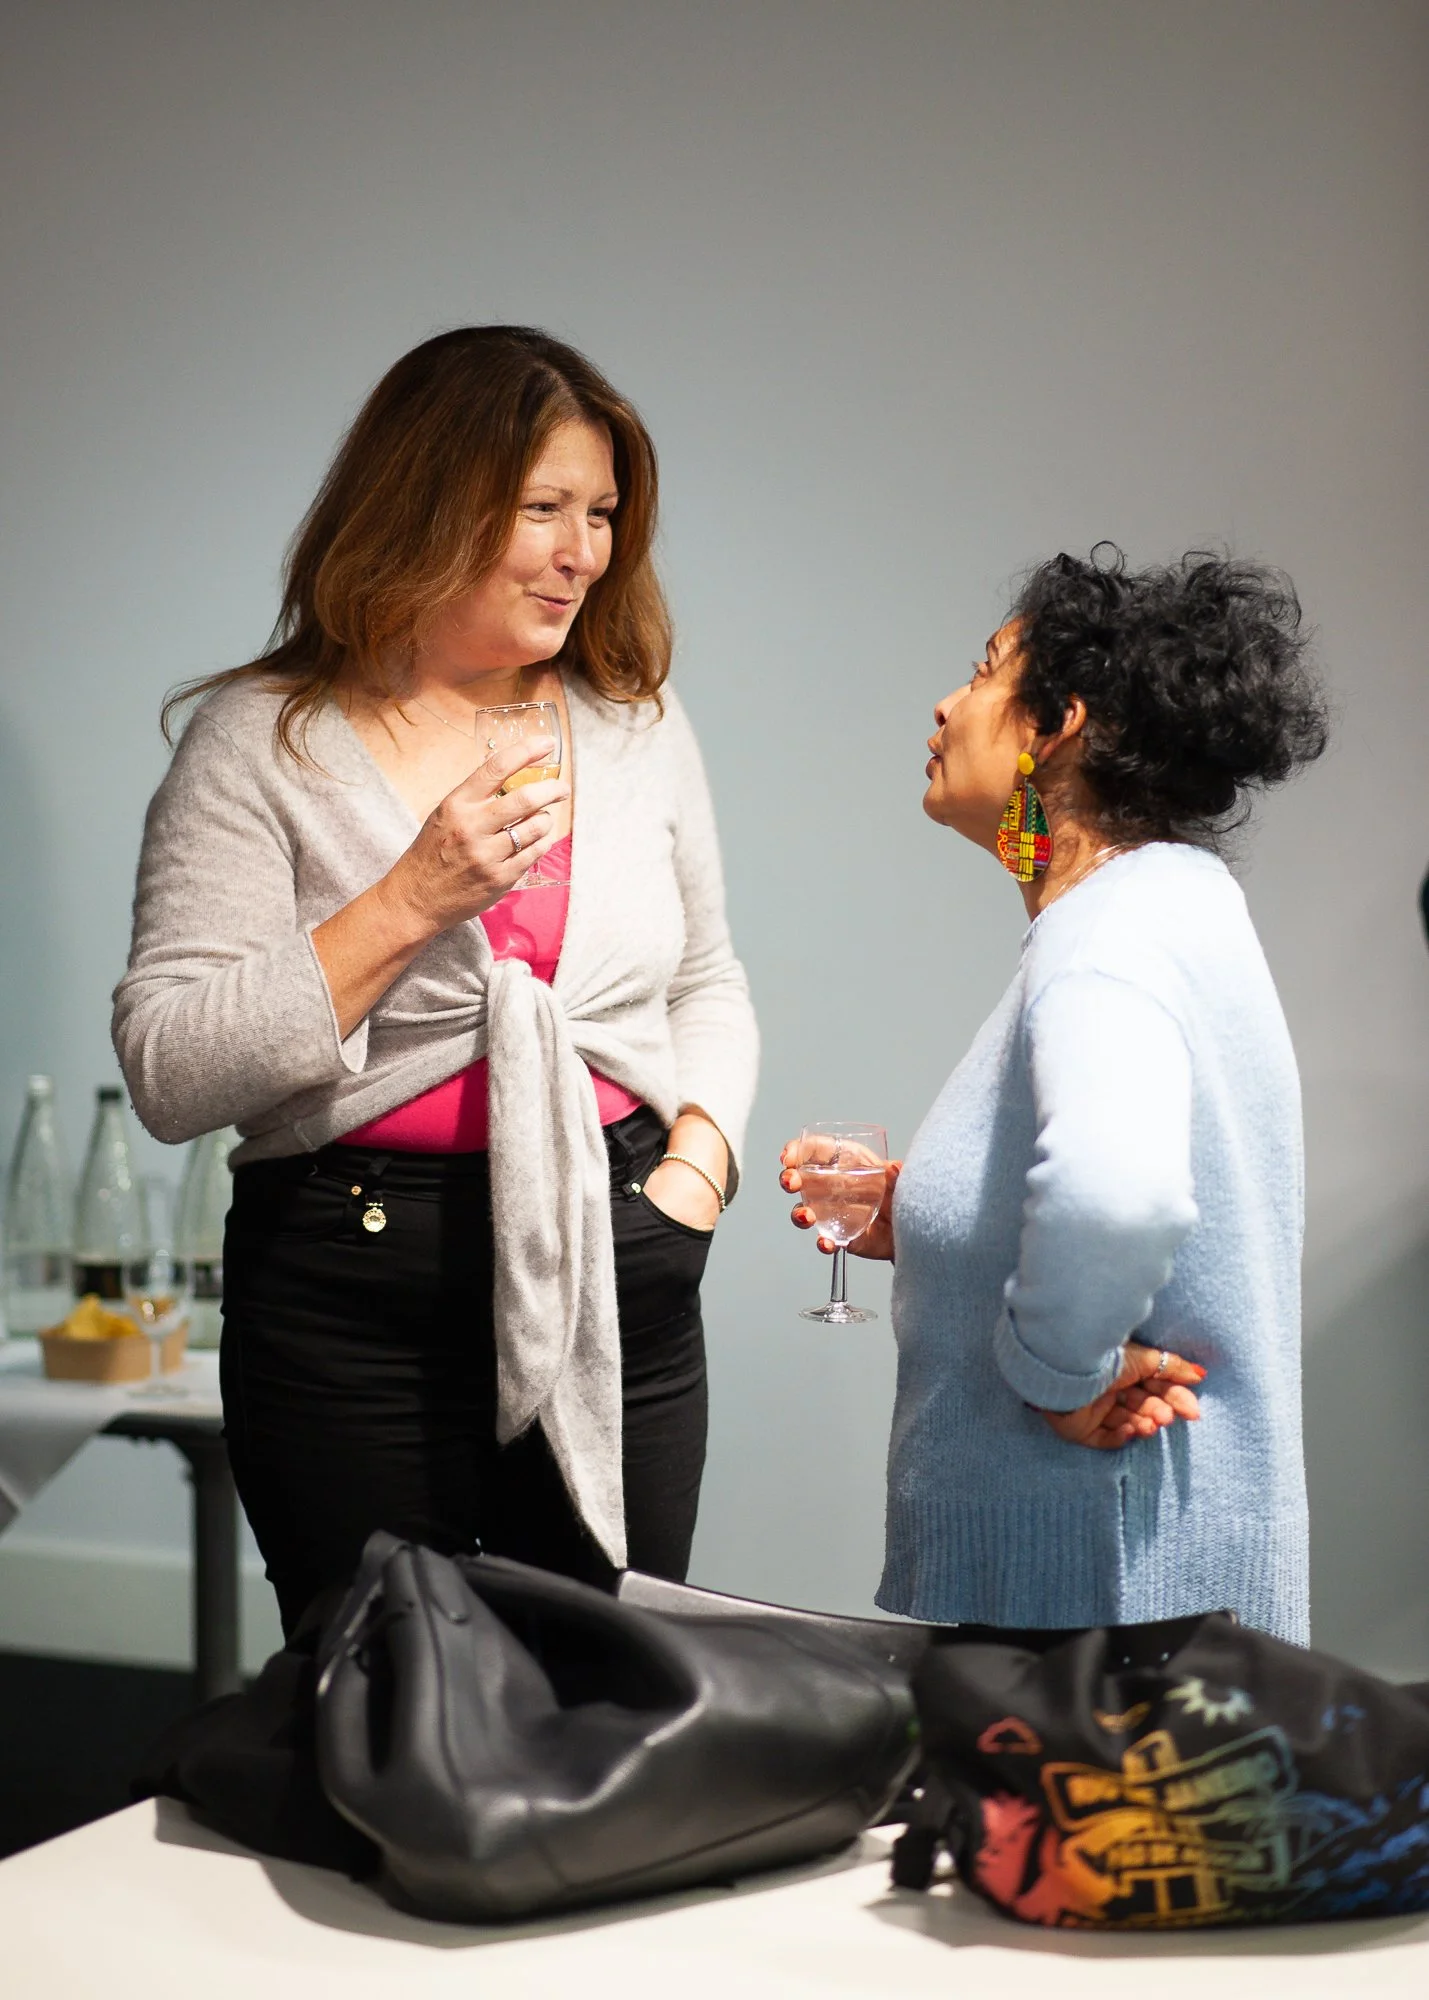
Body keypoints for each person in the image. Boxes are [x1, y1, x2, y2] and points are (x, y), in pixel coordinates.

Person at [114, 325, 758, 1633]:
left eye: (602, 515)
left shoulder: (636, 717)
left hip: (617, 1264)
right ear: (426, 505)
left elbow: (707, 982)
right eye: (541, 510)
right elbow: (171, 1071)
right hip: (352, 1303)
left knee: (609, 1690)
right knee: (386, 1703)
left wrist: (693, 1179)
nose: (582, 551)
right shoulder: (259, 742)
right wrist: (410, 899)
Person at [784, 548, 1326, 1642]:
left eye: (984, 672)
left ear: (1052, 725)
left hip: (1090, 1610)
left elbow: (1113, 1193)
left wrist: (1057, 1376)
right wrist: (932, 1222)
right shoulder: (1169, 903)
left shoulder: (1105, 938)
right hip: (1142, 1595)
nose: (946, 702)